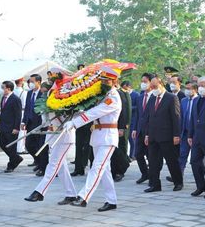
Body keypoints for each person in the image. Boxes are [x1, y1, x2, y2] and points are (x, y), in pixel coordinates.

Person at [64, 71, 122, 212]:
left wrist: (75, 122)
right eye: (102, 80)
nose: (103, 83)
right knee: (104, 169)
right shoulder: (102, 96)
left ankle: (84, 197)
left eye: (107, 81)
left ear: (114, 82)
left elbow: (96, 112)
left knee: (96, 167)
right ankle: (111, 200)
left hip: (108, 137)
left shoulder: (113, 97)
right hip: (97, 136)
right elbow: (89, 110)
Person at [24, 82, 77, 205]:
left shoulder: (70, 98)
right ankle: (71, 194)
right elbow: (46, 120)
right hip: (52, 135)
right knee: (61, 167)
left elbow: (73, 117)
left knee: (53, 164)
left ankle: (39, 192)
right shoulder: (47, 98)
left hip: (64, 136)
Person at [143, 77, 183, 192]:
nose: (153, 89)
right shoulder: (152, 98)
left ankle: (178, 182)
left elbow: (176, 117)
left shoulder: (171, 98)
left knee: (171, 161)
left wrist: (176, 134)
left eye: (155, 87)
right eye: (152, 87)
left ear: (161, 84)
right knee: (153, 161)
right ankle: (155, 184)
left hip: (167, 136)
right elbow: (148, 117)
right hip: (153, 135)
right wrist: (146, 134)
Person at [132, 73, 155, 184]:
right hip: (140, 130)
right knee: (138, 154)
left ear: (151, 82)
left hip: (151, 130)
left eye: (145, 81)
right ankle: (145, 174)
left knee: (151, 156)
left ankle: (152, 176)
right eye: (142, 81)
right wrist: (135, 128)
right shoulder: (140, 97)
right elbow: (138, 114)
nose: (143, 84)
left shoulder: (155, 97)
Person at [21, 74, 46, 176]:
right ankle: (39, 162)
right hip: (31, 123)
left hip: (41, 124)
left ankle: (43, 167)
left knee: (41, 146)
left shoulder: (43, 93)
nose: (30, 84)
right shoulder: (29, 93)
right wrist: (23, 121)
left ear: (38, 82)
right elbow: (27, 108)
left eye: (32, 82)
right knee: (29, 145)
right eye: (29, 82)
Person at [0, 81, 23, 173]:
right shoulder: (3, 98)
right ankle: (16, 158)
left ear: (8, 88)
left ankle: (11, 165)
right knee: (2, 144)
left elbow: (18, 115)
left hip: (12, 128)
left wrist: (16, 128)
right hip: (3, 126)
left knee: (11, 147)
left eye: (3, 87)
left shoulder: (15, 99)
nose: (2, 89)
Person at [111, 81, 132, 182]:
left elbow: (125, 111)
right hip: (105, 127)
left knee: (119, 148)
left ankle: (121, 169)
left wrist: (122, 127)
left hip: (117, 125)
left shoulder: (120, 93)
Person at [178, 81, 198, 174]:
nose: (187, 90)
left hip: (196, 133)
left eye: (189, 88)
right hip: (185, 132)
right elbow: (181, 116)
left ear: (195, 89)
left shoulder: (198, 100)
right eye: (186, 88)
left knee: (197, 157)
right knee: (182, 154)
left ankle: (200, 174)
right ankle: (178, 175)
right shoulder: (183, 100)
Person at [121, 80, 140, 159]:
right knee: (126, 138)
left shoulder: (136, 95)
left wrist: (129, 108)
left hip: (133, 119)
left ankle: (133, 155)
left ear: (129, 87)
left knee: (132, 139)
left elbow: (138, 107)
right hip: (125, 120)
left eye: (125, 88)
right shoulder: (123, 94)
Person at [14, 77, 27, 154]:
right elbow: (25, 104)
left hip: (14, 113)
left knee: (15, 130)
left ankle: (15, 148)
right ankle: (20, 149)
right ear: (21, 81)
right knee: (22, 131)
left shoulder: (13, 91)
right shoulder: (23, 92)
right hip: (22, 111)